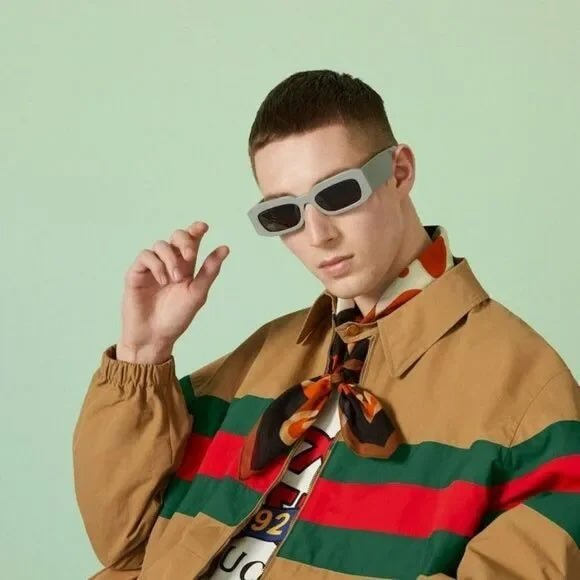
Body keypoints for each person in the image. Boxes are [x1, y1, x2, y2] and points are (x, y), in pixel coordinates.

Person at [73, 70, 580, 580]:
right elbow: (123, 541)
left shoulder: (527, 392)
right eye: (283, 214)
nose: (317, 234)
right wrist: (143, 352)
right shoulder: (262, 358)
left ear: (400, 172)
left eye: (338, 194)